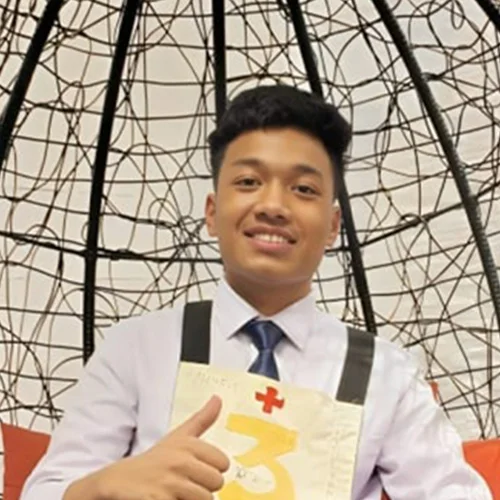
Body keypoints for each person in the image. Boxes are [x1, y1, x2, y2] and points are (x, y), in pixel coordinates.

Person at [21, 85, 491, 500]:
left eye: (303, 189)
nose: (273, 205)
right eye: (248, 182)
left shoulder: (386, 374)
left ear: (332, 226)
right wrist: (106, 485)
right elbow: (44, 489)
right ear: (211, 212)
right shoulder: (137, 349)